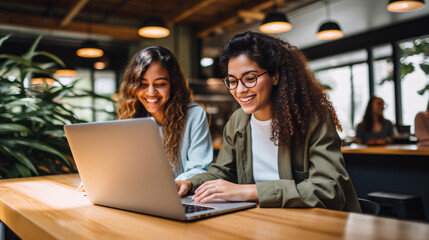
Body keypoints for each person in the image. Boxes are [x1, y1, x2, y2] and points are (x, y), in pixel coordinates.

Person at [175, 31, 361, 212]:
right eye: (232, 81)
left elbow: (329, 190)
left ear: (275, 76)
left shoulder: (312, 117)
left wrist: (249, 191)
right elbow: (222, 173)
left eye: (249, 78)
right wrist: (190, 183)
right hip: (266, 220)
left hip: (319, 224)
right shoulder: (238, 121)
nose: (240, 90)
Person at [78, 47, 213, 192]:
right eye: (142, 84)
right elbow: (121, 166)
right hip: (140, 194)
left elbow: (200, 168)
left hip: (179, 197)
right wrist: (101, 179)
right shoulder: (131, 117)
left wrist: (181, 183)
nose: (151, 92)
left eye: (160, 84)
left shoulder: (194, 115)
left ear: (174, 85)